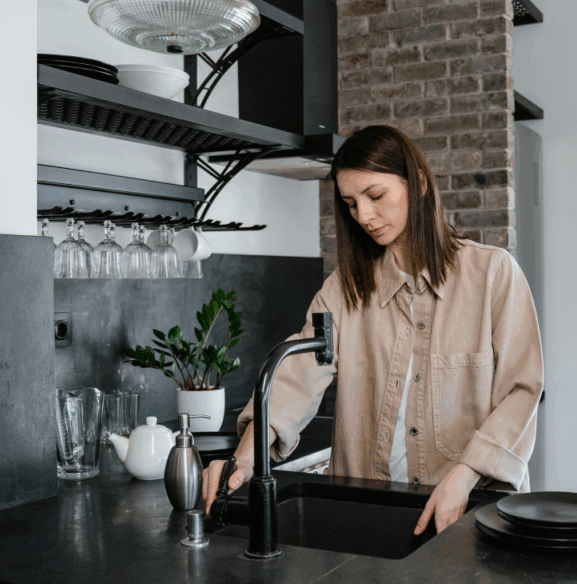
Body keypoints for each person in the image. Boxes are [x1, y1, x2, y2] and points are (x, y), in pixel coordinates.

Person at [203, 124, 544, 534]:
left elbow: (521, 391)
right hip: (372, 515)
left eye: (375, 196)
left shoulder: (493, 274)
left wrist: (466, 472)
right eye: (350, 203)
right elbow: (294, 379)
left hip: (473, 511)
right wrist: (244, 457)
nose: (363, 216)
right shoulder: (343, 291)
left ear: (416, 183)